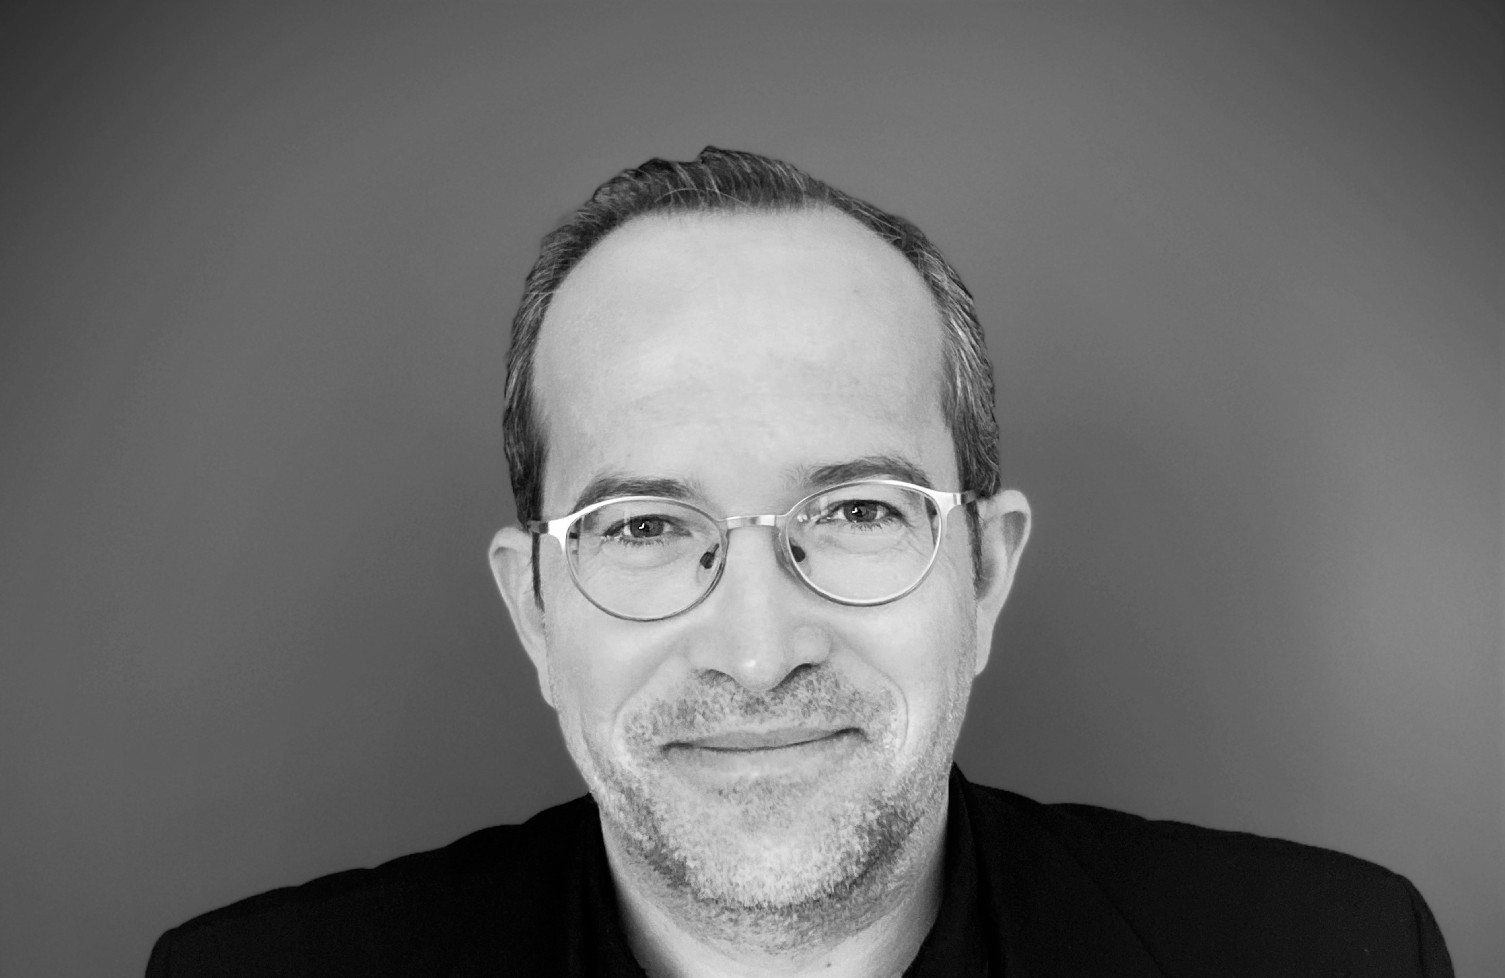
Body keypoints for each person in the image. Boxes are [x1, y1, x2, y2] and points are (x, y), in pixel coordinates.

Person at [146, 148, 1453, 976]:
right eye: (645, 527)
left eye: (857, 511)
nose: (759, 651)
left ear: (985, 575)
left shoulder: (1333, 955)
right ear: (533, 609)